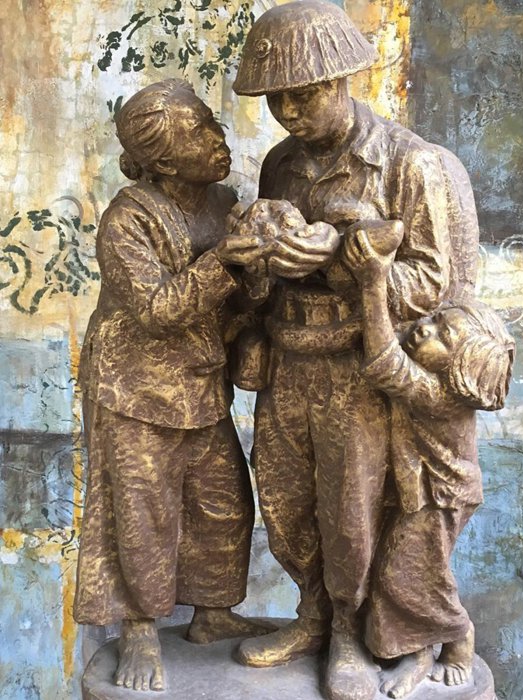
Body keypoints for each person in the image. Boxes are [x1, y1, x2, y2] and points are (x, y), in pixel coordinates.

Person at [229, 2, 481, 699]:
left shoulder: (410, 164)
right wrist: (261, 256)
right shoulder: (280, 165)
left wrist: (337, 258)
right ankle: (311, 614)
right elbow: (266, 268)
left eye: (304, 94)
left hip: (358, 368)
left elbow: (435, 284)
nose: (288, 111)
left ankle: (347, 628)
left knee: (350, 509)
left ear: (343, 80)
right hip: (289, 356)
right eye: (276, 98)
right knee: (284, 498)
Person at [74, 79, 271, 692]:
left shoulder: (222, 203)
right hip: (134, 387)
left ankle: (212, 612)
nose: (218, 138)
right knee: (142, 511)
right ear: (162, 161)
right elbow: (158, 309)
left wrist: (261, 267)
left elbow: (240, 296)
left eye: (213, 122)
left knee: (223, 501)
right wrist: (226, 260)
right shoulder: (127, 219)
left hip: (200, 381)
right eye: (200, 131)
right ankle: (138, 627)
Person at [343, 225, 515, 698]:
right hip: (429, 491)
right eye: (437, 320)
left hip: (442, 497)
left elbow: (384, 362)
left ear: (460, 367)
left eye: (443, 335)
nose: (425, 328)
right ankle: (415, 649)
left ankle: (456, 641)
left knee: (406, 572)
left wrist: (374, 280)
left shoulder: (439, 396)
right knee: (408, 570)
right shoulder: (435, 377)